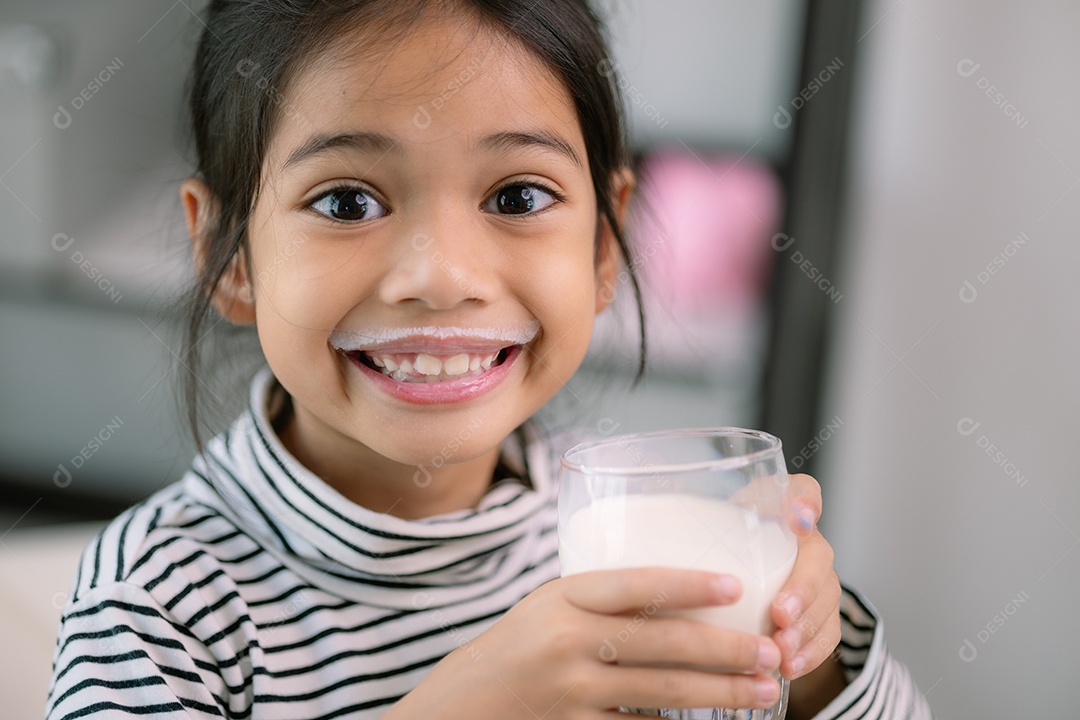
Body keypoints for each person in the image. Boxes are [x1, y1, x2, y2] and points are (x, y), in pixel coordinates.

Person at [46, 1, 932, 718]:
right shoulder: (153, 610)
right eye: (348, 201)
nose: (443, 278)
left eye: (517, 195)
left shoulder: (633, 542)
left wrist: (807, 666)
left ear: (600, 247)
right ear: (228, 259)